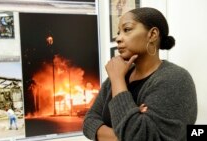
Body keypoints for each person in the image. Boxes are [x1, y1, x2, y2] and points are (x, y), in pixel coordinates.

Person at [83, 7, 197, 141]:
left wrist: (118, 80)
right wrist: (125, 133)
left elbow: (140, 137)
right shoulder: (114, 78)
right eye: (119, 32)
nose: (118, 38)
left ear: (153, 34)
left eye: (127, 29)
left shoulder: (176, 79)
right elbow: (88, 122)